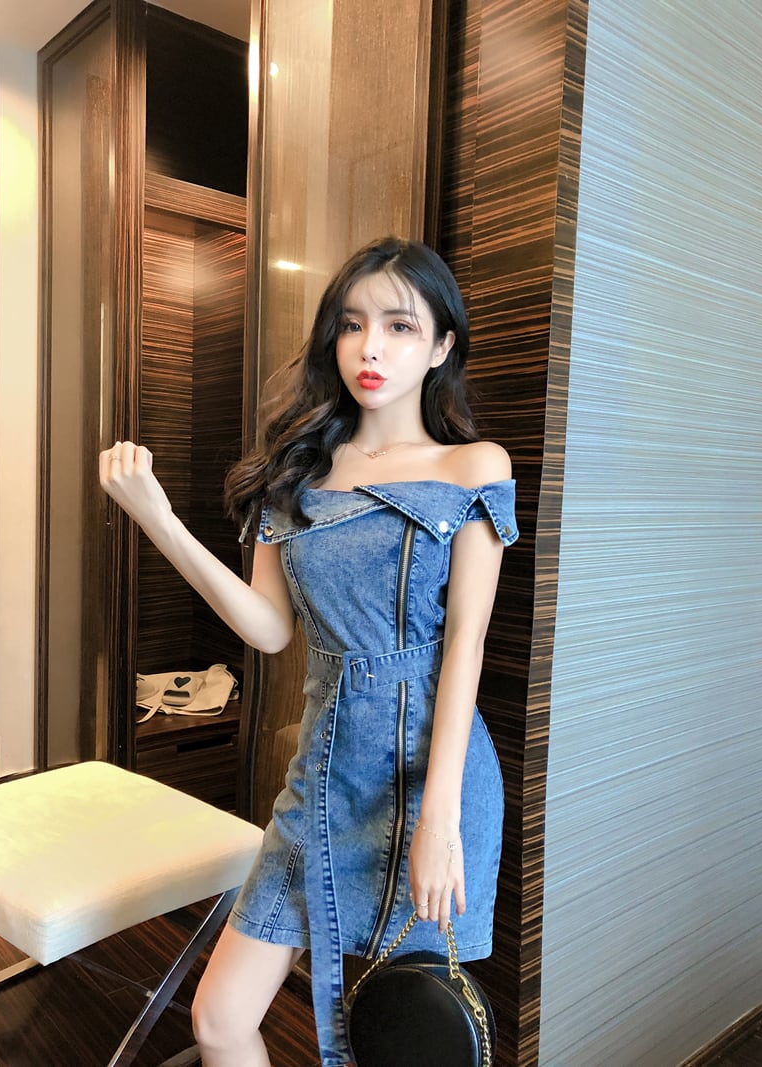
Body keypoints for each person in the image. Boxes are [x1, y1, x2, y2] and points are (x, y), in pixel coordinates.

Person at [99, 236, 518, 1067]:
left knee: (402, 1033)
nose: (371, 347)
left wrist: (439, 817)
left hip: (432, 778)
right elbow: (268, 629)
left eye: (400, 326)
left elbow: (464, 646)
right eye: (352, 324)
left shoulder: (473, 466)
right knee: (220, 1017)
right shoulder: (295, 476)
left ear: (441, 346)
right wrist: (158, 519)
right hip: (325, 779)